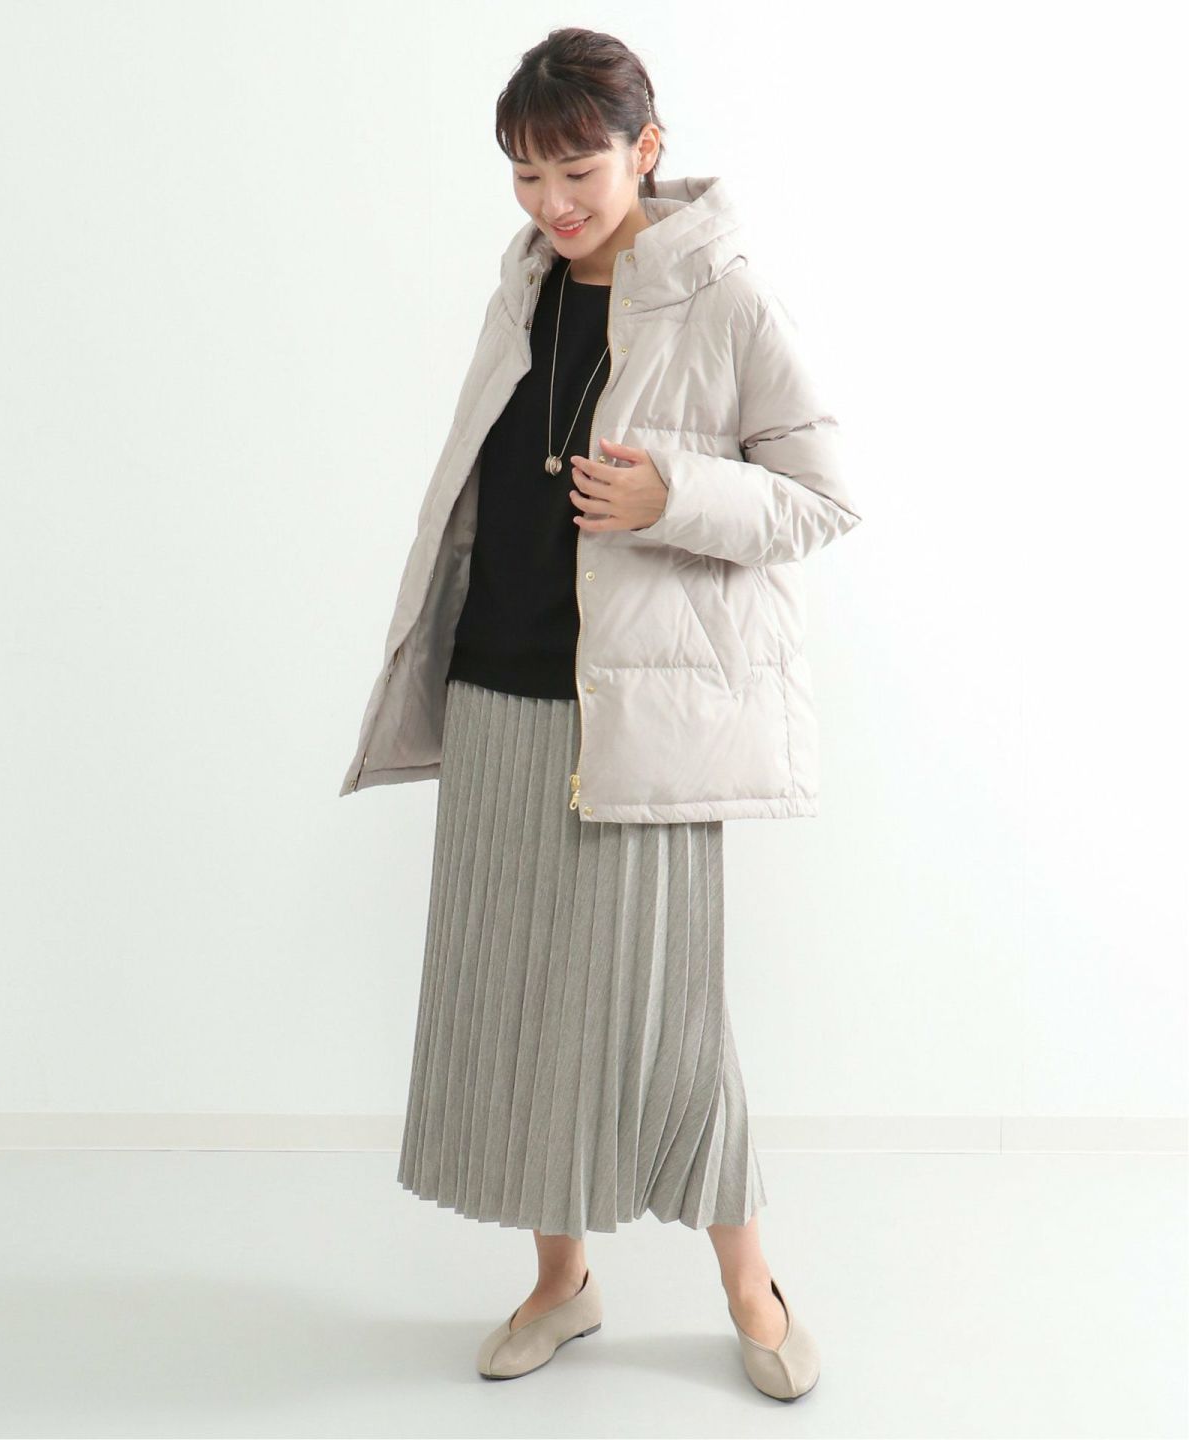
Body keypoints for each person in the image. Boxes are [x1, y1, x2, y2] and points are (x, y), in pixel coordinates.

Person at [339, 26, 861, 1400]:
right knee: (520, 998)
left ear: (647, 149)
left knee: (672, 1022)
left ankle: (751, 1287)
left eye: (577, 169)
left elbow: (822, 497)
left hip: (644, 717)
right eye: (527, 174)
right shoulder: (520, 287)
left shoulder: (723, 296)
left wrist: (672, 495)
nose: (553, 202)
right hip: (499, 687)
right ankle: (561, 1281)